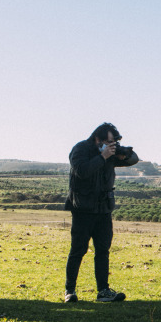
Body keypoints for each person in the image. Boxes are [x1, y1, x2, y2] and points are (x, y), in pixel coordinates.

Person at [64, 122, 139, 303]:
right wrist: (102, 157)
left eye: (113, 142)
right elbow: (82, 171)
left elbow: (134, 159)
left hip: (104, 209)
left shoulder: (110, 153)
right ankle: (69, 291)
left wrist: (122, 152)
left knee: (103, 250)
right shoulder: (80, 149)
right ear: (97, 138)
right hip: (83, 209)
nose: (110, 145)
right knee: (78, 250)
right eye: (108, 141)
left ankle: (103, 291)